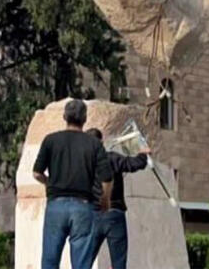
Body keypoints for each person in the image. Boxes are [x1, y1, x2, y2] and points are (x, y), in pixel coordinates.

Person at [33, 99, 113, 269]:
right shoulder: (94, 144)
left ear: (64, 117)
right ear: (85, 119)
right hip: (83, 207)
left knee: (50, 261)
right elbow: (107, 178)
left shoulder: (50, 140)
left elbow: (37, 173)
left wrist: (49, 183)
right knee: (82, 264)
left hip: (56, 206)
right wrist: (105, 200)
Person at [85, 127, 151, 269]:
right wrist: (143, 153)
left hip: (92, 216)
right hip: (114, 214)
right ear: (101, 142)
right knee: (118, 263)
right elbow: (136, 164)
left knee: (83, 261)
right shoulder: (111, 158)